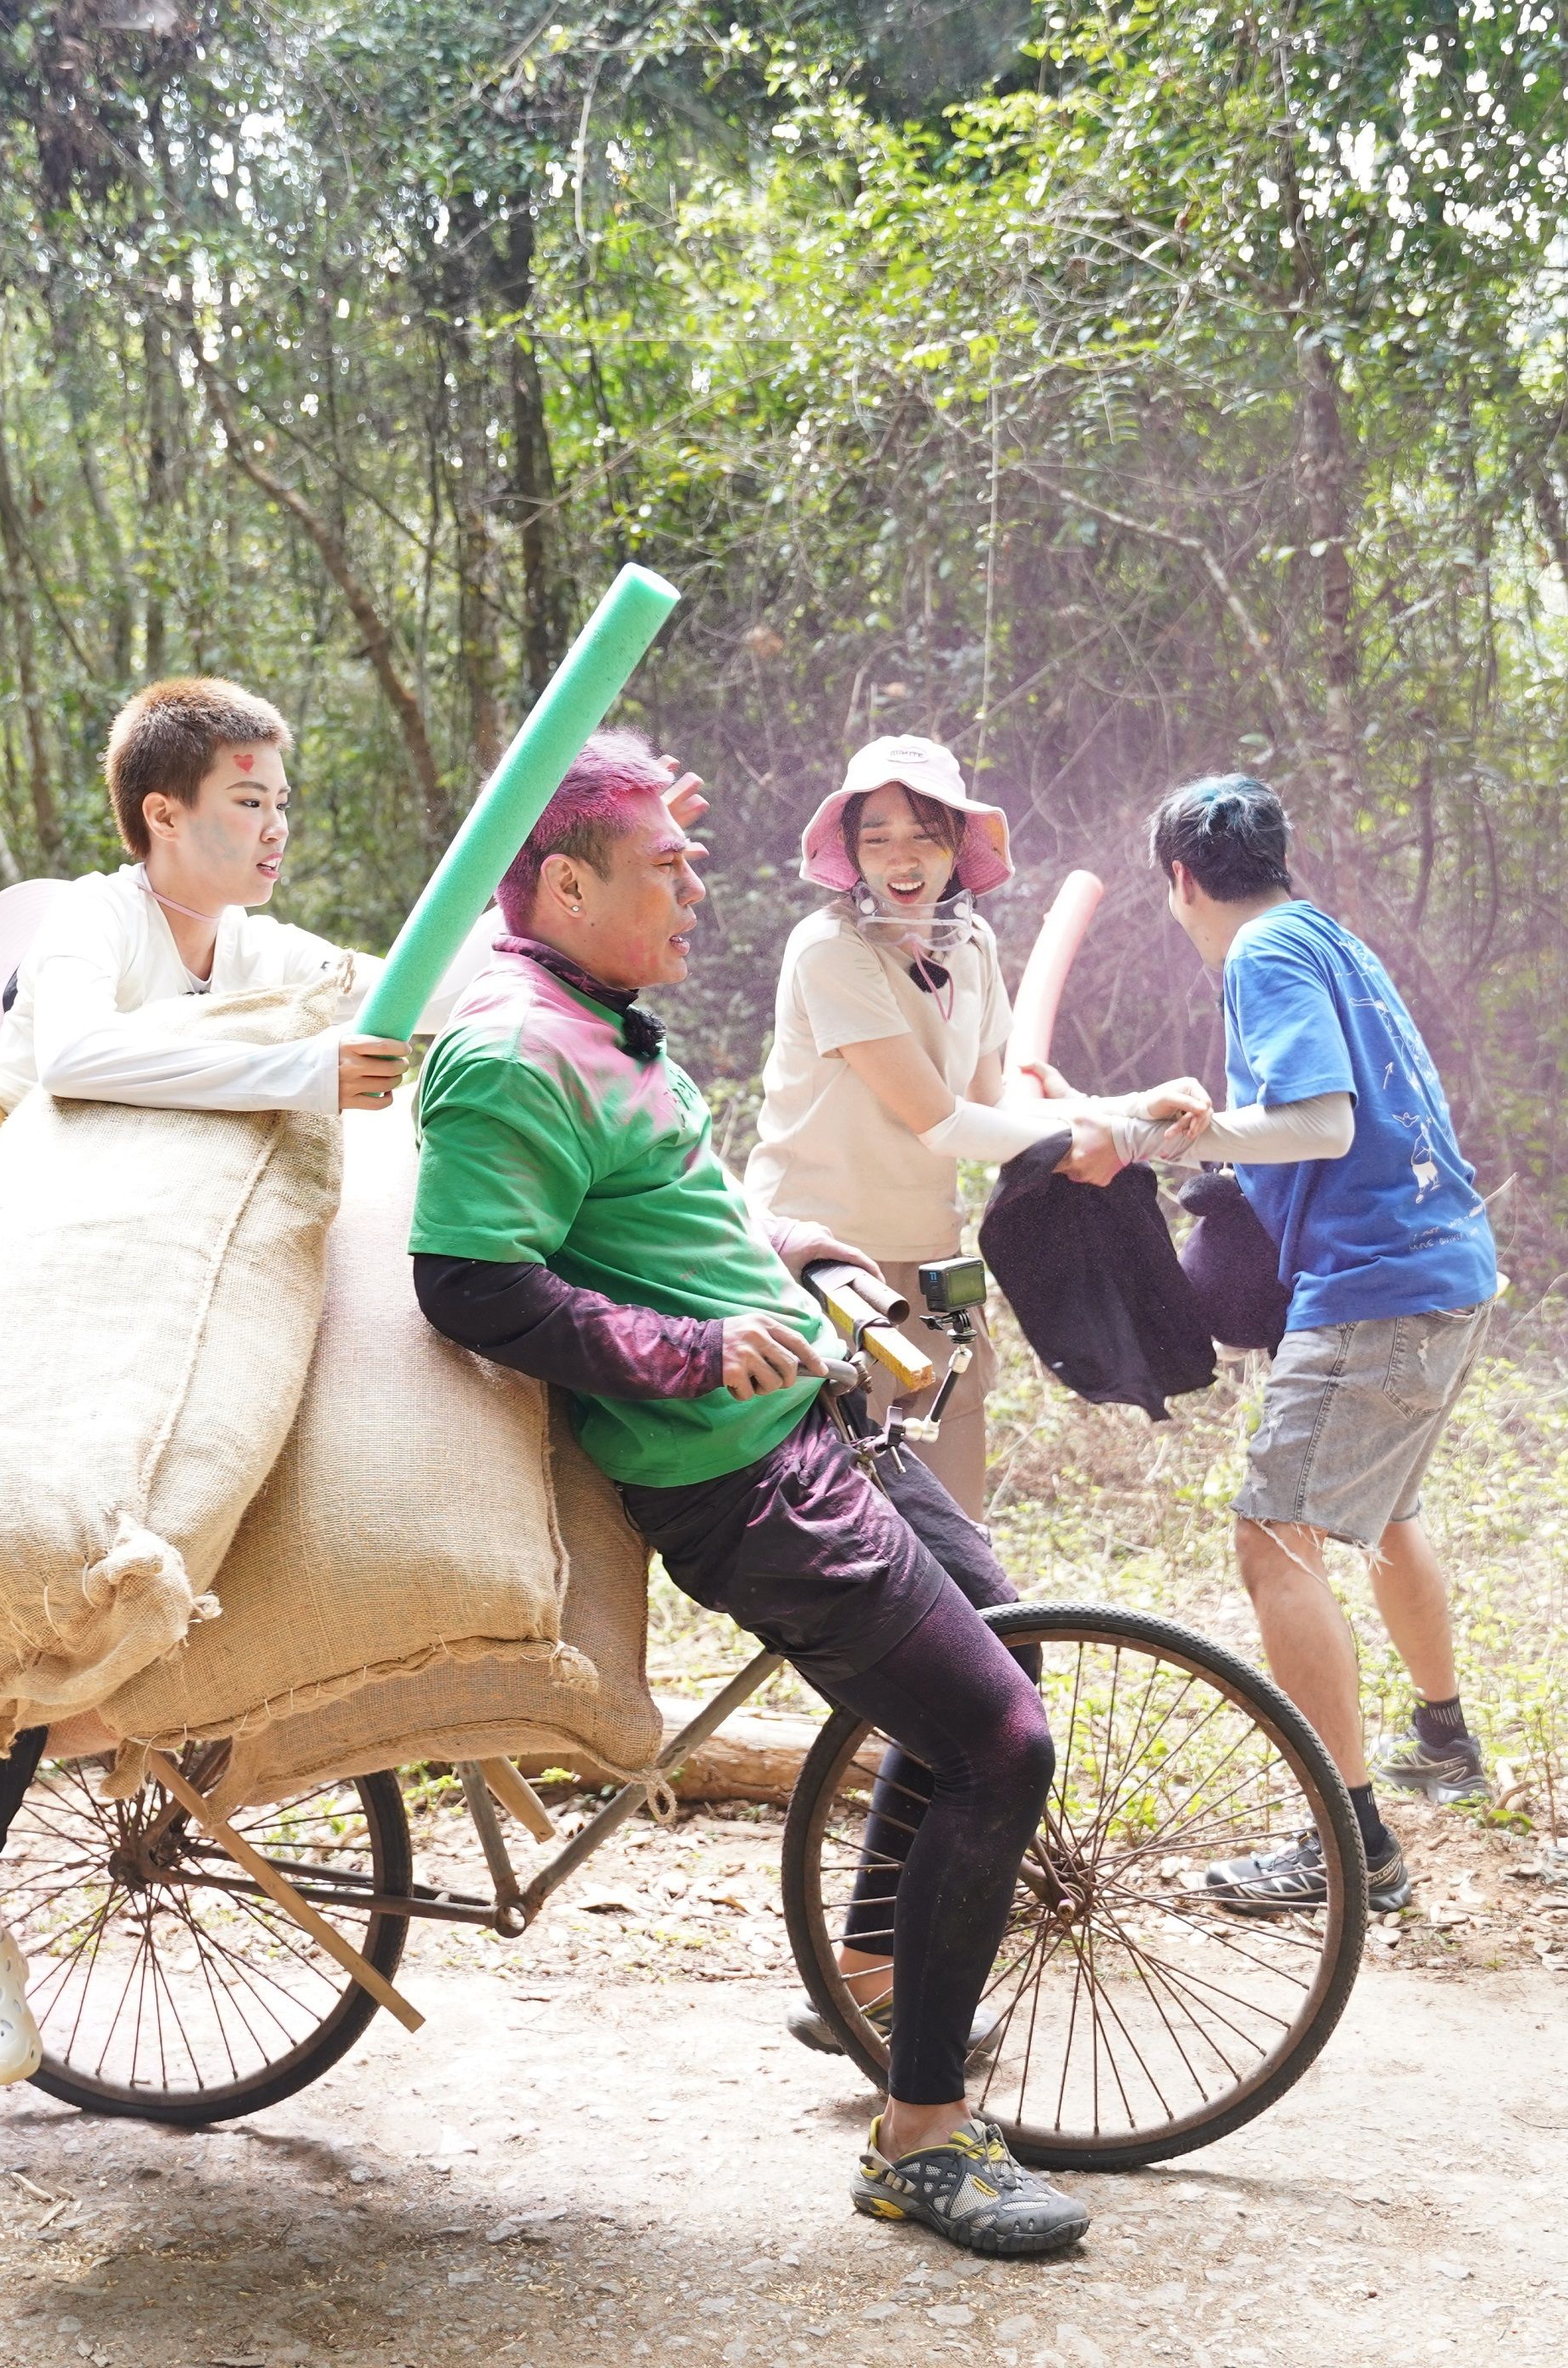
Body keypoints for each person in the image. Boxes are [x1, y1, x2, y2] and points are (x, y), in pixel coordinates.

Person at [408, 729, 1089, 2258]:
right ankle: (918, 2141)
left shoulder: (605, 1019)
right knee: (1000, 1746)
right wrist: (689, 1348)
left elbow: (671, 1212)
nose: (697, 892)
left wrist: (798, 1258)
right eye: (667, 867)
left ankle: (868, 1976)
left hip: (810, 1423)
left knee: (1009, 1643)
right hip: (738, 1481)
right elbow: (468, 1282)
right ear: (567, 884)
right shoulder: (516, 1049)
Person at [0, 675, 417, 2091]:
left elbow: (384, 985)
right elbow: (70, 1057)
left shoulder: (251, 944)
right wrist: (297, 1065)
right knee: (8, 1565)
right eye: (249, 803)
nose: (275, 829)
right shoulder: (94, 919)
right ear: (159, 816)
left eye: (282, 803)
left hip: (157, 1278)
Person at [1148, 774, 1500, 1920]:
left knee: (1272, 1541)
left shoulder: (1260, 956)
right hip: (1444, 1268)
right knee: (1385, 1510)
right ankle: (1442, 1741)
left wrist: (1205, 1132)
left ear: (1181, 882)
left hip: (1377, 1290)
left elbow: (1324, 1121)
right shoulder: (1327, 937)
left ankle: (1349, 1845)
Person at [742, 734, 1205, 1519]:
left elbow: (996, 1109)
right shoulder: (830, 949)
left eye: (924, 833)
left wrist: (1128, 1109)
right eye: (877, 837)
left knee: (958, 1524)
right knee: (847, 1533)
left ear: (959, 843)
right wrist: (1082, 1142)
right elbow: (940, 1122)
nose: (902, 856)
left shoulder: (974, 944)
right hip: (824, 1265)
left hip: (930, 1254)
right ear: (849, 851)